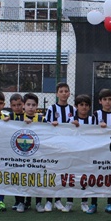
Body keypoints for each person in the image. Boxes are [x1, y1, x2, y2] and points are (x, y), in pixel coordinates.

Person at [88, 88, 111, 215]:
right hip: (98, 150)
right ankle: (93, 203)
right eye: (105, 99)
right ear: (100, 101)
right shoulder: (95, 115)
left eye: (110, 99)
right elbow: (90, 130)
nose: (107, 102)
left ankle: (110, 204)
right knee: (95, 176)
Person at [43, 82, 76, 212]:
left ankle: (58, 200)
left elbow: (77, 126)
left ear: (69, 93)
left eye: (66, 91)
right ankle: (49, 201)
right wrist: (51, 124)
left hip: (68, 146)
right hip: (54, 146)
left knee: (64, 173)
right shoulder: (51, 109)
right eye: (61, 91)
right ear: (57, 94)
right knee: (52, 172)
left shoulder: (73, 110)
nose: (63, 93)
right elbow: (45, 125)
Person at [69, 94, 99, 213]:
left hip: (88, 153)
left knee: (86, 177)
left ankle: (84, 202)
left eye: (86, 105)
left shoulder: (93, 120)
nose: (84, 107)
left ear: (89, 107)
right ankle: (69, 202)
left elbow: (98, 133)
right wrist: (72, 126)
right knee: (71, 177)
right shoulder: (71, 120)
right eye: (81, 105)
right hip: (74, 153)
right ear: (76, 106)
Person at [20, 93, 47, 213]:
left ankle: (38, 203)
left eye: (33, 105)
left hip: (37, 154)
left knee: (37, 178)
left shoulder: (42, 119)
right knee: (22, 178)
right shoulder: (17, 119)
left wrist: (54, 125)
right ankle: (22, 202)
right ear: (23, 105)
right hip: (22, 155)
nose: (31, 107)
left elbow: (49, 132)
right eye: (28, 104)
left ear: (37, 106)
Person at [6, 93, 30, 212]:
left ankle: (27, 202)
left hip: (28, 152)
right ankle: (18, 201)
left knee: (28, 176)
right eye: (14, 105)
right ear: (10, 106)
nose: (17, 107)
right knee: (16, 176)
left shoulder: (28, 116)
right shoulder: (9, 117)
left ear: (23, 104)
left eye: (19, 104)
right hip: (14, 153)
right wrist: (4, 121)